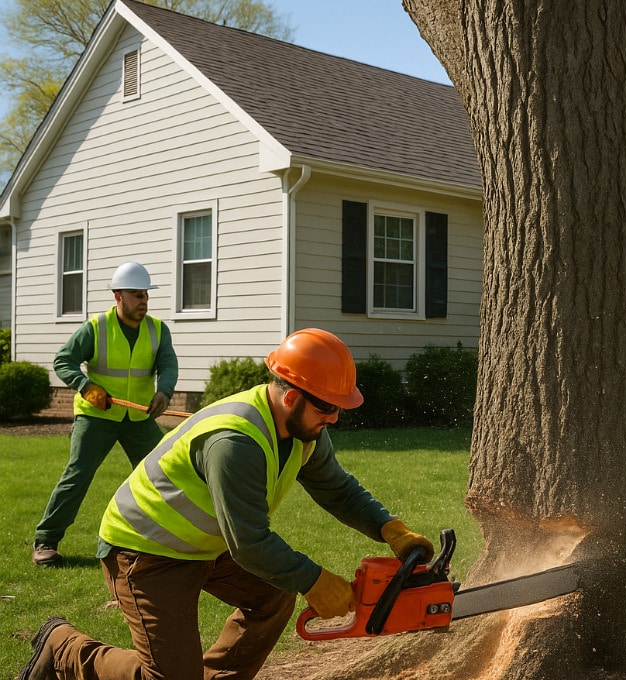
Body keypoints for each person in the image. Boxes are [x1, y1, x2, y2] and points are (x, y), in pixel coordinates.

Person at [19, 328, 435, 680]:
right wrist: (315, 580)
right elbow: (251, 543)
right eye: (327, 406)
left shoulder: (305, 432)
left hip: (206, 545)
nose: (335, 418)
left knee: (272, 595)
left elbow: (339, 490)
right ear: (291, 396)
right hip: (144, 551)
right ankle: (64, 647)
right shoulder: (235, 443)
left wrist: (390, 529)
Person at [33, 262, 178, 567]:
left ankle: (170, 540)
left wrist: (164, 391)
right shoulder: (96, 327)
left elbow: (168, 365)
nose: (143, 301)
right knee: (77, 475)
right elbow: (63, 360)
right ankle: (47, 539)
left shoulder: (157, 329)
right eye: (136, 294)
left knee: (163, 474)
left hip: (139, 419)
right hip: (96, 416)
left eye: (146, 295)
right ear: (118, 296)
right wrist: (85, 386)